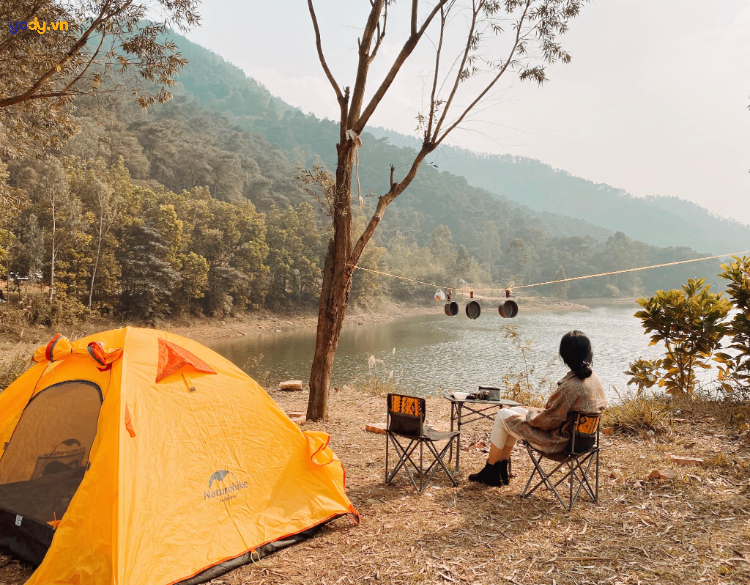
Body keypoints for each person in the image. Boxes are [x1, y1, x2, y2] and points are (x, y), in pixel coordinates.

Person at [469, 330, 607, 487]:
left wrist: (530, 415)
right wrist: (529, 412)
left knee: (502, 414)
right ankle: (501, 468)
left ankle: (491, 470)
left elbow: (548, 421)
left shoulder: (570, 386)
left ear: (564, 355)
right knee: (515, 412)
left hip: (561, 444)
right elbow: (557, 416)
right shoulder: (593, 378)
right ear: (588, 353)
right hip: (584, 442)